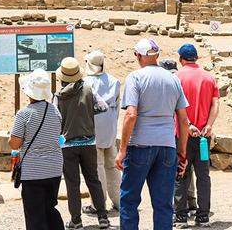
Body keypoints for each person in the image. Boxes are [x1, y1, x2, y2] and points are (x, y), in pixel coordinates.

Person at [115, 39, 190, 230]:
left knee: (130, 200)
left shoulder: (136, 77)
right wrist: (181, 152)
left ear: (138, 56)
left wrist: (122, 150)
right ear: (157, 55)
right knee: (163, 204)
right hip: (167, 146)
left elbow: (131, 114)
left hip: (140, 144)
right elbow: (183, 120)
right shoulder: (173, 79)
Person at [54, 57, 110, 229]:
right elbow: (104, 107)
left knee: (72, 183)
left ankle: (76, 220)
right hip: (88, 143)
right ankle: (103, 217)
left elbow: (55, 118)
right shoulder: (88, 90)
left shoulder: (58, 96)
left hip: (67, 145)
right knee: (93, 180)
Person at [10, 69, 65, 230]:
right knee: (50, 209)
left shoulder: (24, 114)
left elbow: (14, 144)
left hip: (33, 171)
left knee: (35, 215)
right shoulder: (55, 111)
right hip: (54, 168)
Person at [173, 44, 220, 228]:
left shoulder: (176, 78)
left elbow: (174, 107)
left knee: (181, 173)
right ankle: (203, 216)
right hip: (203, 136)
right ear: (197, 58)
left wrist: (188, 125)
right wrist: (209, 125)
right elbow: (215, 104)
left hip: (183, 135)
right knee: (203, 175)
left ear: (180, 59)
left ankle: (181, 217)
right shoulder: (209, 78)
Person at [82, 50, 121, 214]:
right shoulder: (114, 81)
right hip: (110, 128)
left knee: (97, 167)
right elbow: (118, 107)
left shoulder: (85, 83)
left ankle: (99, 203)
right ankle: (120, 200)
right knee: (112, 166)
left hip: (93, 129)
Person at [159, 58, 199, 218]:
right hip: (188, 131)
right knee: (187, 169)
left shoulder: (166, 85)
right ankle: (191, 203)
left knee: (176, 170)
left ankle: (179, 207)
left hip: (173, 132)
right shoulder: (182, 81)